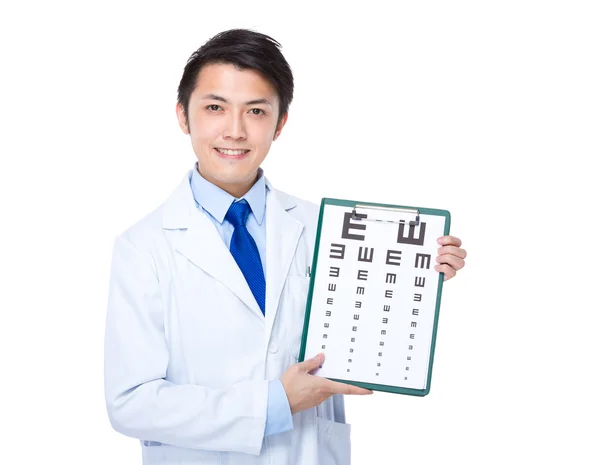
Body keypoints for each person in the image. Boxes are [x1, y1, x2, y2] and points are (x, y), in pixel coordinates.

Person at [104, 28, 467, 465]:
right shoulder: (143, 248)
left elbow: (364, 330)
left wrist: (417, 277)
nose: (235, 131)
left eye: (255, 111)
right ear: (184, 116)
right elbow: (131, 403)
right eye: (215, 107)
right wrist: (274, 402)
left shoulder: (325, 228)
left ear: (280, 123)